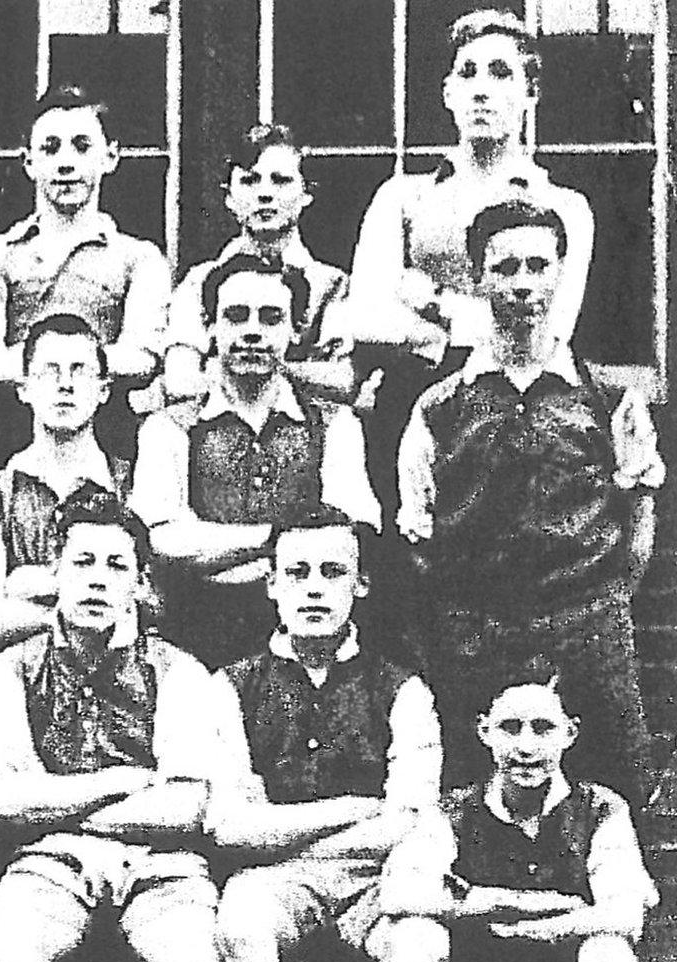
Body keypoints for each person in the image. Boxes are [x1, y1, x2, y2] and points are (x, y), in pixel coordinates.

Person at [0, 498, 258, 962]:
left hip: (161, 864)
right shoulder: (11, 668)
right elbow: (2, 803)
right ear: (55, 571)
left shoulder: (177, 670)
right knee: (8, 958)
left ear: (140, 582)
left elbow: (184, 806)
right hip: (50, 862)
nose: (98, 579)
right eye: (82, 562)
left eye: (116, 565)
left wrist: (57, 798)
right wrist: (117, 783)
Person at [396, 200, 660, 806]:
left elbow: (639, 517)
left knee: (617, 792)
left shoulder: (608, 396)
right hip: (476, 632)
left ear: (561, 272)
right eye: (504, 267)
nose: (521, 285)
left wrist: (601, 600)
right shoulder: (440, 406)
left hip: (587, 627)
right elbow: (419, 531)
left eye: (537, 266)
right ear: (476, 277)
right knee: (470, 801)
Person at [209, 506, 450, 962]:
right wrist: (355, 809)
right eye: (298, 572)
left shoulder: (402, 690)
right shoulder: (231, 687)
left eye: (332, 572)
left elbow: (410, 817)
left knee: (424, 944)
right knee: (240, 922)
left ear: (360, 585)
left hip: (377, 879)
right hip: (280, 881)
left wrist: (277, 824)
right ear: (271, 584)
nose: (314, 588)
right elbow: (228, 826)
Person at [382, 665, 656, 962]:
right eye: (510, 728)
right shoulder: (455, 813)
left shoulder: (600, 808)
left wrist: (542, 930)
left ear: (570, 734)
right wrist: (503, 904)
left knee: (608, 956)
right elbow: (400, 893)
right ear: (484, 731)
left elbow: (623, 913)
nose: (526, 746)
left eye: (543, 728)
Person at [343, 9, 597, 505]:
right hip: (412, 401)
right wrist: (470, 326)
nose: (482, 89)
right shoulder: (402, 198)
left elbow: (550, 327)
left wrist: (432, 302)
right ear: (448, 93)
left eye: (501, 73)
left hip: (525, 402)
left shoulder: (565, 207)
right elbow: (366, 318)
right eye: (468, 73)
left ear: (531, 94)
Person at [130, 253, 378, 668]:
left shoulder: (335, 424)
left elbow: (352, 529)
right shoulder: (169, 427)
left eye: (270, 318)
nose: (252, 332)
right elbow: (164, 541)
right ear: (210, 326)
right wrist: (284, 536)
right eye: (236, 316)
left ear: (296, 330)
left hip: (304, 642)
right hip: (192, 634)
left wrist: (219, 547)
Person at [0, 85, 170, 466]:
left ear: (111, 156)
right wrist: (75, 364)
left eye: (82, 145)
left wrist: (41, 365)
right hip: (9, 443)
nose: (65, 162)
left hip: (110, 444)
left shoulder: (138, 258)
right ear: (28, 162)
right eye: (50, 148)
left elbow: (143, 359)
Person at [0, 313, 129, 652]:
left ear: (104, 390)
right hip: (24, 673)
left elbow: (150, 601)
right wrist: (84, 606)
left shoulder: (128, 482)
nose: (65, 384)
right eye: (50, 371)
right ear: (24, 389)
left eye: (80, 371)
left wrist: (26, 586)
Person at [160, 124, 353, 408]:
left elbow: (342, 380)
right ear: (229, 197)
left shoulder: (331, 285)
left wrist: (233, 367)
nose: (264, 194)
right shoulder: (200, 281)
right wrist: (292, 368)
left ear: (307, 193)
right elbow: (180, 380)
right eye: (250, 181)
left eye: (281, 181)